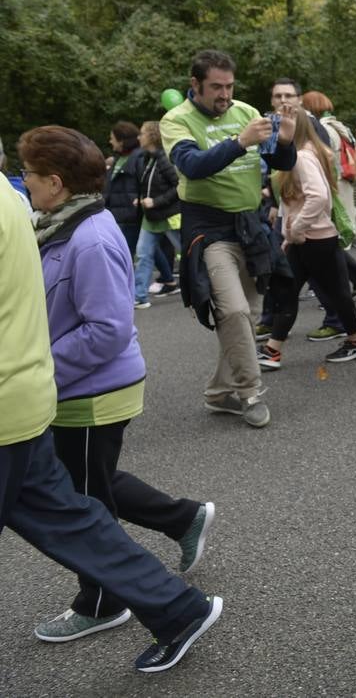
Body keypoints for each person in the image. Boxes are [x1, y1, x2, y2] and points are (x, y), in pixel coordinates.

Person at [0, 172, 223, 673]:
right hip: (31, 393)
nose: (25, 180)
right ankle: (174, 588)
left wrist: (47, 365)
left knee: (83, 494)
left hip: (79, 390)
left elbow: (108, 327)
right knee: (74, 506)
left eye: (32, 172)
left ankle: (111, 596)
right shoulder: (23, 208)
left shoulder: (88, 233)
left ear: (56, 180)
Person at [160, 49, 297, 429]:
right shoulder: (176, 120)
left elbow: (281, 165)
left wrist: (285, 142)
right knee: (233, 311)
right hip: (208, 228)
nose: (224, 94)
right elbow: (192, 166)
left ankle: (218, 394)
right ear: (195, 85)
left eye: (229, 86)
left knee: (247, 315)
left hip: (250, 225)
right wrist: (239, 142)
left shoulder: (246, 111)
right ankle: (249, 392)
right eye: (216, 87)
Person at [256, 112, 356, 370]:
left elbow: (318, 196)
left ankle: (355, 341)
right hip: (310, 238)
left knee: (330, 293)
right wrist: (291, 234)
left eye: (282, 124)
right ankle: (274, 349)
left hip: (314, 238)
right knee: (305, 292)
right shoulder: (304, 153)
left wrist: (296, 228)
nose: (276, 129)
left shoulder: (302, 156)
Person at [132, 122, 182, 308]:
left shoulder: (164, 159)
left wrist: (156, 201)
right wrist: (143, 199)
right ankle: (140, 296)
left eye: (142, 133)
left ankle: (209, 287)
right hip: (152, 216)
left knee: (189, 253)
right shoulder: (148, 158)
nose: (139, 137)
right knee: (143, 254)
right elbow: (150, 185)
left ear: (152, 136)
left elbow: (179, 185)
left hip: (168, 215)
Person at [303, 90, 356, 224]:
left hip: (332, 180)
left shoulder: (321, 129)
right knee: (346, 219)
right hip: (345, 179)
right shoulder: (339, 126)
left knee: (336, 224)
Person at [104, 120, 146, 256]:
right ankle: (166, 276)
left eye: (113, 138)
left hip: (129, 215)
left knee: (125, 253)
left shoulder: (139, 158)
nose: (111, 141)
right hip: (118, 214)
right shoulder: (119, 159)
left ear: (121, 141)